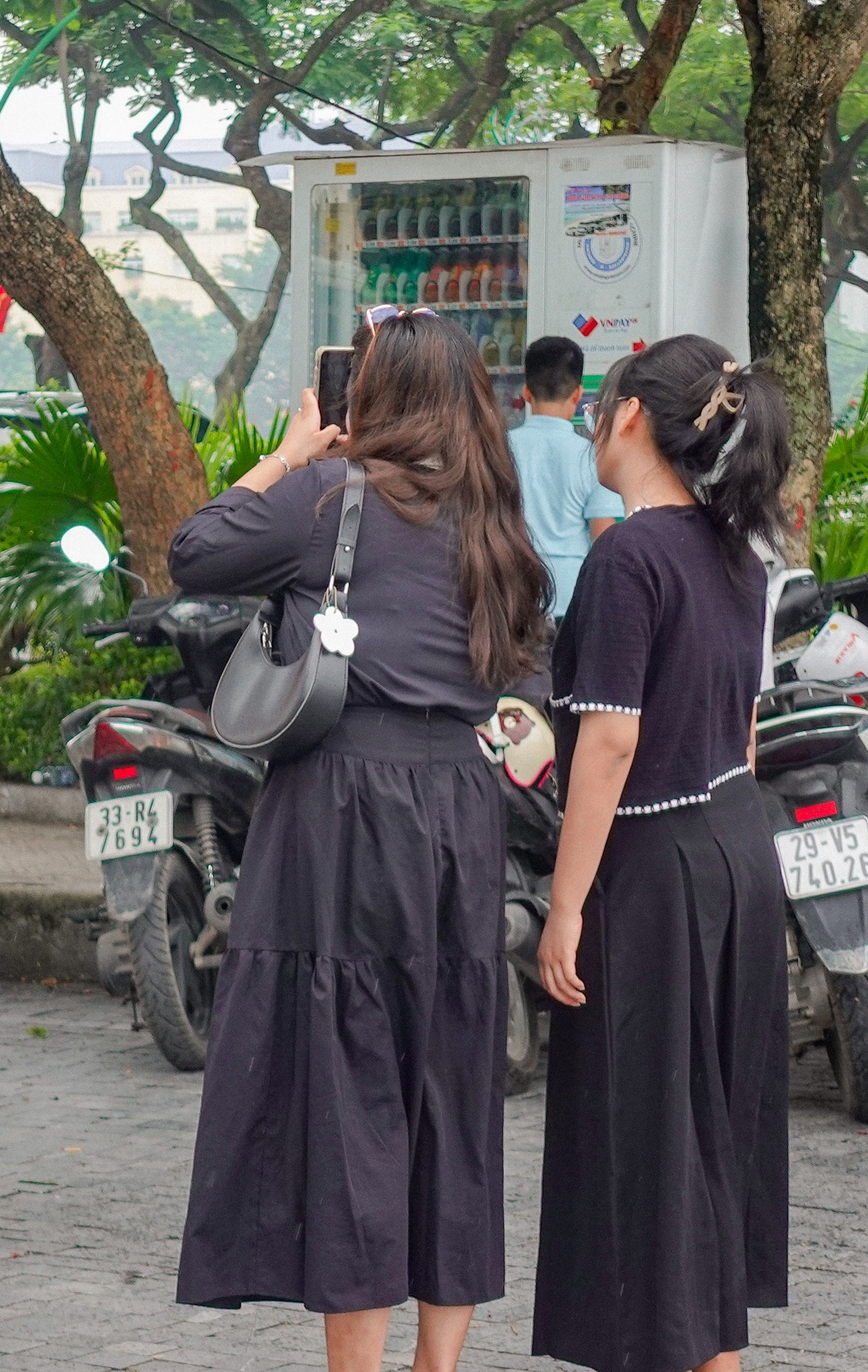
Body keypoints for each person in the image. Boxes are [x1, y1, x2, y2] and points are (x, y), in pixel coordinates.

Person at [172, 308, 550, 1372]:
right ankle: (438, 1362)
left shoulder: (326, 497)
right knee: (449, 1086)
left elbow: (192, 550)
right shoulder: (495, 518)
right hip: (456, 814)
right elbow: (526, 680)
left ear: (367, 395)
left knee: (353, 1091)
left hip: (339, 811)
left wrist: (288, 453)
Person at [533, 335, 793, 1372]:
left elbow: (607, 742)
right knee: (707, 1134)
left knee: (645, 1144)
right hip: (732, 845)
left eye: (605, 399)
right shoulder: (735, 551)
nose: (596, 412)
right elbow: (737, 730)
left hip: (651, 869)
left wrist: (563, 903)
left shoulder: (628, 555)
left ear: (632, 414)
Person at [509, 335, 623, 619]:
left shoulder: (499, 449)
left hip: (512, 592)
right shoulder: (591, 455)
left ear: (526, 393)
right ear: (577, 394)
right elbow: (603, 538)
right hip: (572, 597)